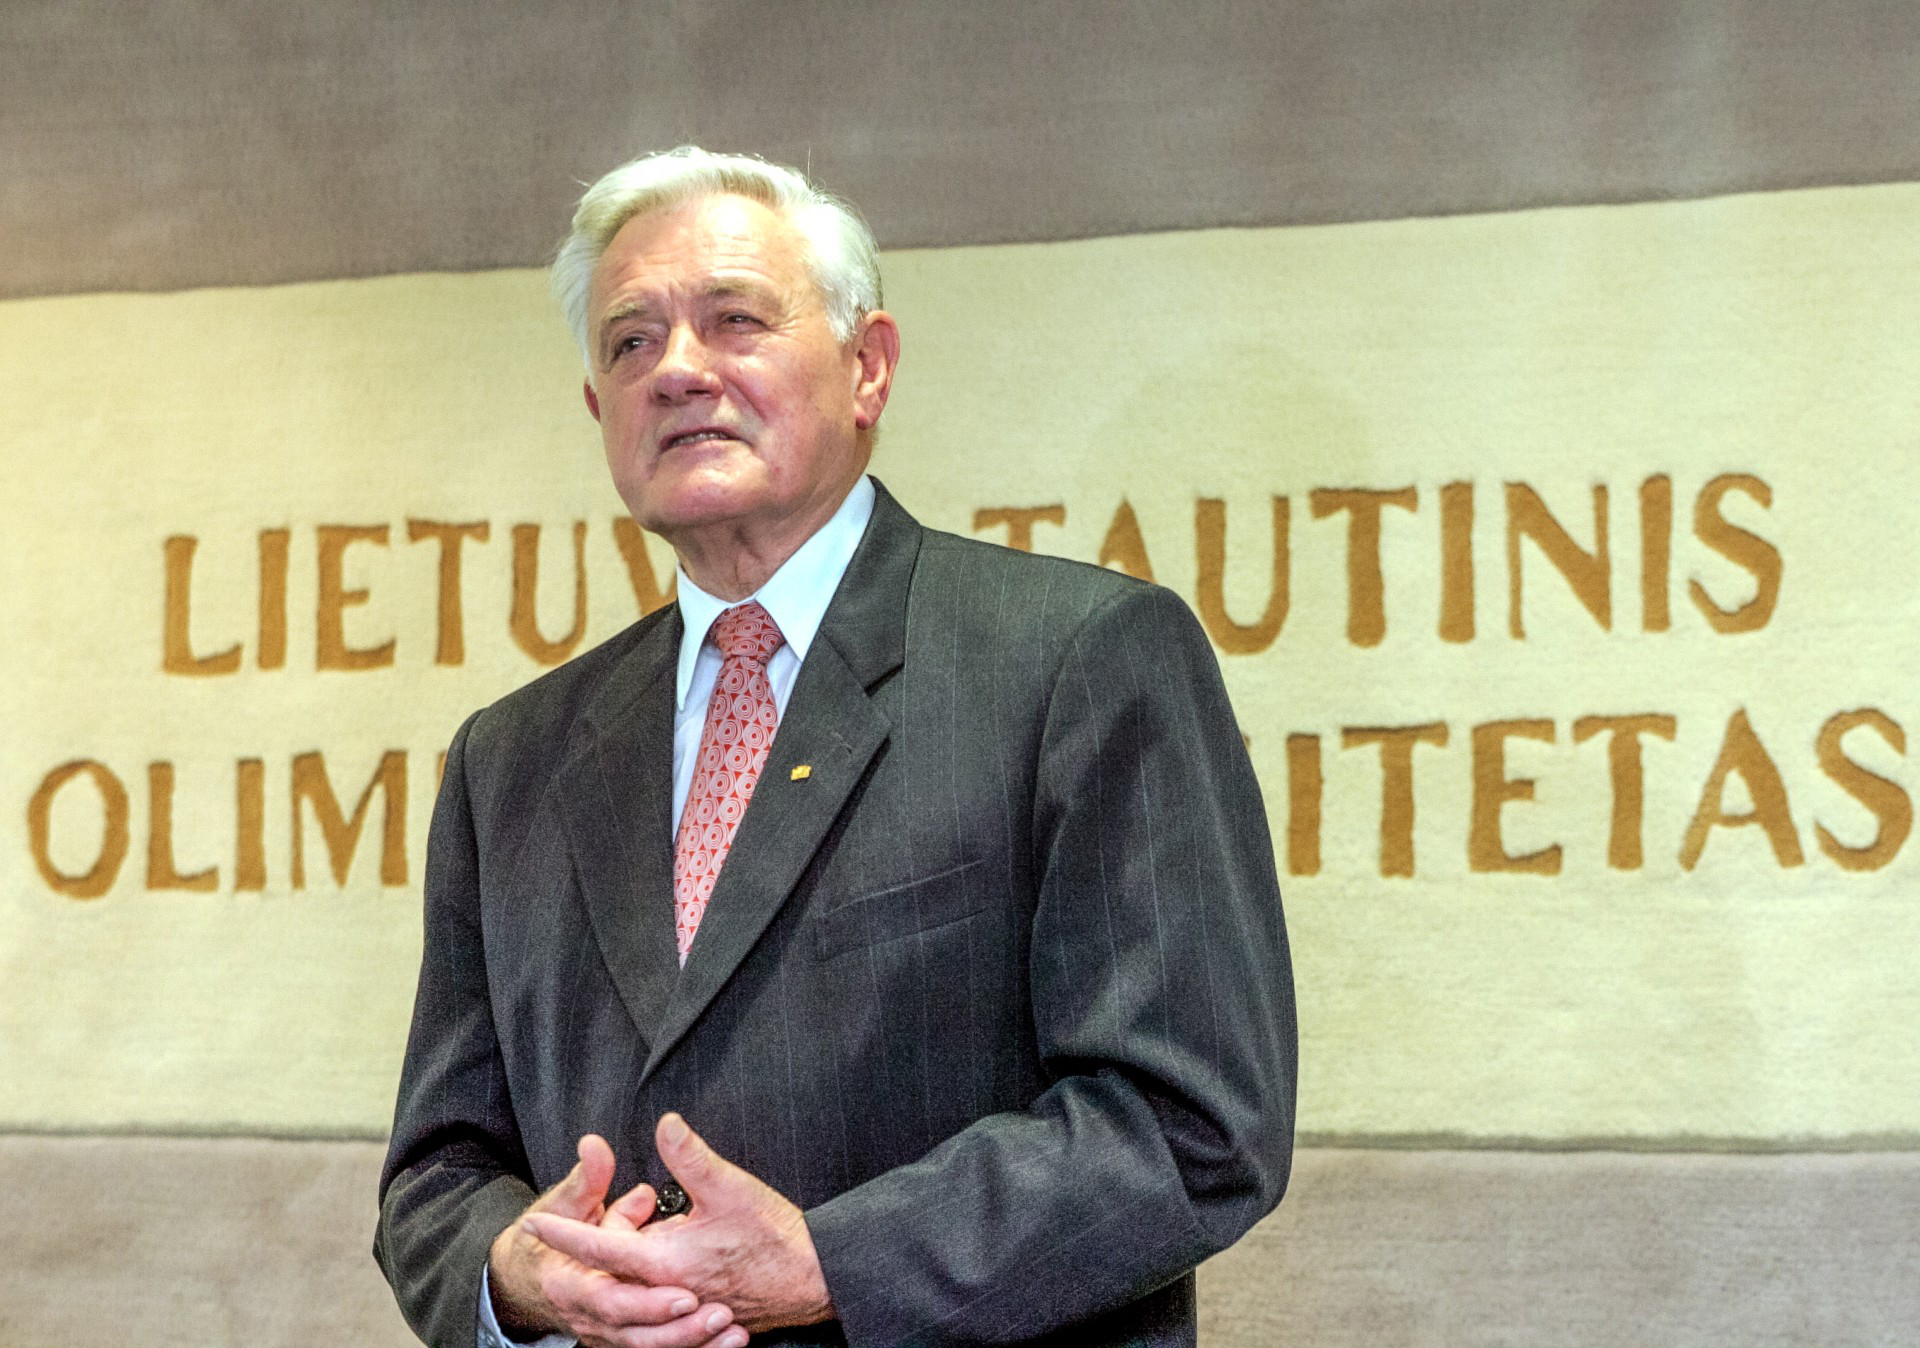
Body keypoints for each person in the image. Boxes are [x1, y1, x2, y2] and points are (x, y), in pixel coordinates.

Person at [375, 145, 1296, 1348]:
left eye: (735, 320)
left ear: (868, 368)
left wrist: (831, 1262)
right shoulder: (510, 760)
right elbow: (437, 1170)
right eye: (631, 341)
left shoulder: (1079, 659)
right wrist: (515, 1273)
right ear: (600, 411)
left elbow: (1193, 1124)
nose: (678, 369)